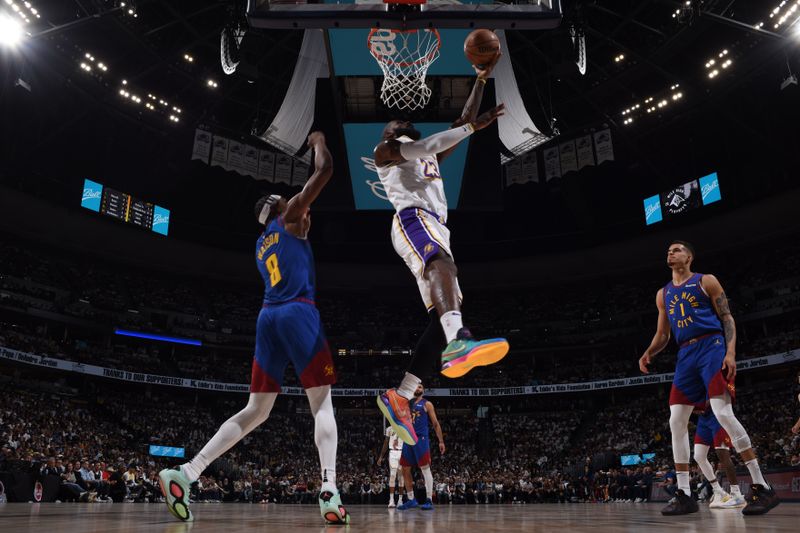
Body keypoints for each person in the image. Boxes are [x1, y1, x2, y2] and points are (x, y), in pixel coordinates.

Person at [158, 132, 349, 525]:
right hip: (298, 312)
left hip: (268, 318)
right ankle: (329, 486)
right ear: (280, 207)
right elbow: (326, 170)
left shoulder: (262, 244)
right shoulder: (291, 216)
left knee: (256, 410)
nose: (296, 199)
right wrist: (318, 142)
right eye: (287, 197)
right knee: (323, 404)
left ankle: (187, 472)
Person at [373, 55, 510, 445]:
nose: (398, 120)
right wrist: (471, 126)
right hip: (413, 218)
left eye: (402, 123)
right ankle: (460, 339)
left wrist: (480, 79)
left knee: (440, 312)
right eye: (393, 122)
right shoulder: (387, 150)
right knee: (440, 261)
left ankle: (400, 396)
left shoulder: (428, 154)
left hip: (437, 226)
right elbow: (442, 137)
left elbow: (452, 130)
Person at [639, 240, 779, 516]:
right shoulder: (663, 294)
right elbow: (663, 334)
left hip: (711, 346)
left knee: (723, 413)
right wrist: (648, 353)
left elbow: (727, 317)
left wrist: (730, 352)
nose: (670, 252)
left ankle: (762, 487)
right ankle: (684, 494)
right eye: (668, 250)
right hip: (685, 355)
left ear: (689, 257)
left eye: (677, 249)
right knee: (676, 420)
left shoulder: (706, 281)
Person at [396, 384, 445, 511]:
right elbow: (401, 420)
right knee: (405, 469)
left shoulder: (427, 404)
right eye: (416, 387)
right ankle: (411, 499)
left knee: (424, 468)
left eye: (420, 387)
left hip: (421, 439)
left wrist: (441, 441)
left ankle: (429, 499)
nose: (418, 389)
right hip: (408, 438)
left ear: (423, 390)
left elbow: (435, 423)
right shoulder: (407, 403)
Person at [693, 408, 746, 508]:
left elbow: (711, 397)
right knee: (699, 456)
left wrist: (694, 405)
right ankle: (718, 491)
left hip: (716, 415)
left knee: (722, 453)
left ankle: (737, 494)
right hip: (703, 419)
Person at [377, 425, 406, 507]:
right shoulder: (389, 429)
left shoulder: (404, 427)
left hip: (401, 452)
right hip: (392, 452)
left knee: (401, 477)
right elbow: (386, 443)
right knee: (392, 476)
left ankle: (400, 500)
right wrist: (381, 457)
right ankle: (391, 500)